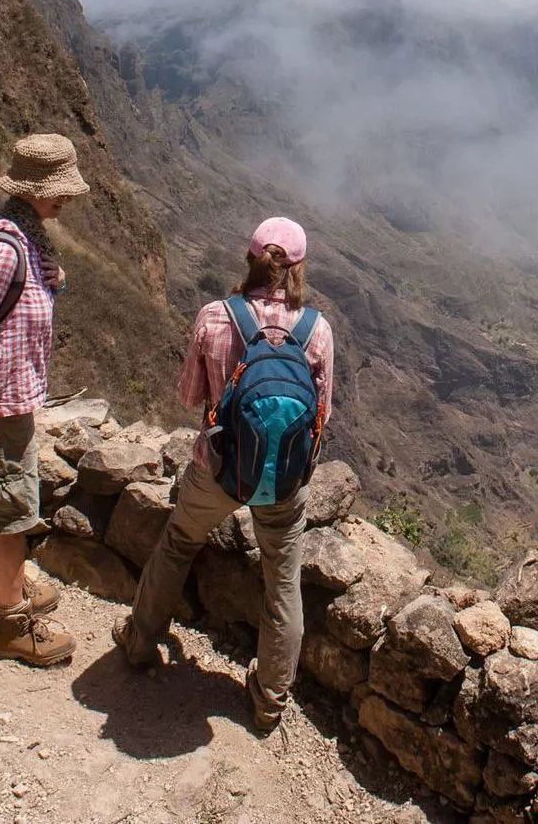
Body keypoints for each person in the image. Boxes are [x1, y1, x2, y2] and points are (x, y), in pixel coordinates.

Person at [117, 217, 335, 732]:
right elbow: (322, 412)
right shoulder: (317, 330)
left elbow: (190, 396)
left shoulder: (216, 316)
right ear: (298, 268)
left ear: (250, 258)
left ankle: (141, 643)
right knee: (282, 581)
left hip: (216, 470)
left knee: (177, 544)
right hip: (282, 483)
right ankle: (270, 700)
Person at [0, 133, 87, 665]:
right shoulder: (4, 249)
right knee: (8, 510)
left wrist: (58, 280)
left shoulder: (29, 242)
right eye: (59, 191)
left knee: (7, 502)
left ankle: (3, 587)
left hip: (12, 403)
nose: (67, 199)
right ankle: (13, 626)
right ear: (32, 191)